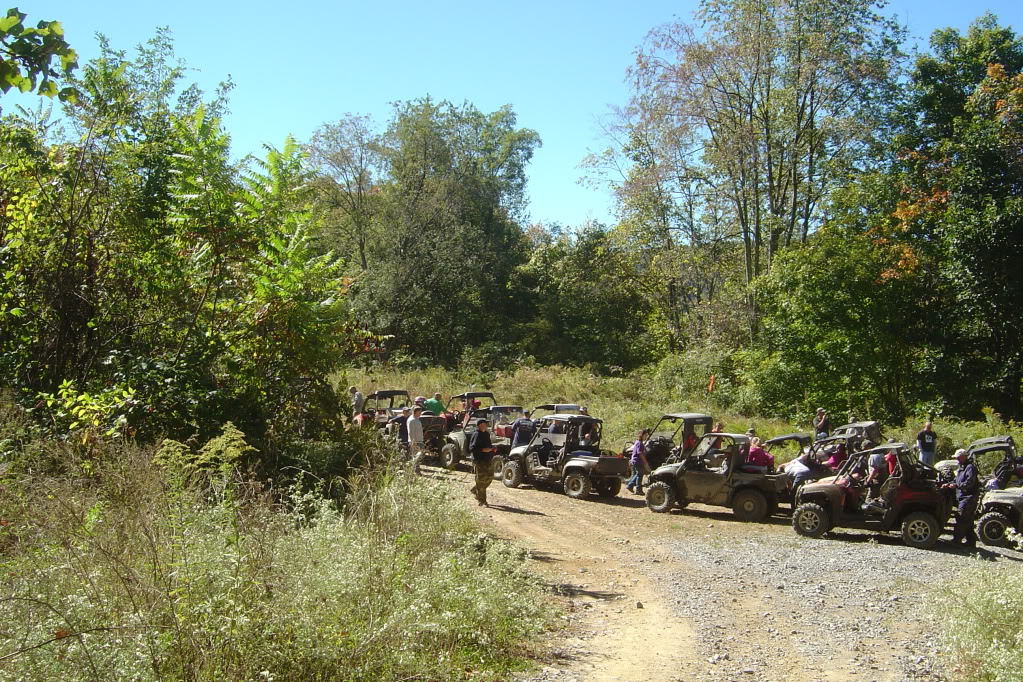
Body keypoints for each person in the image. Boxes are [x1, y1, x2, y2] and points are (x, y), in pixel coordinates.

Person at [945, 448, 980, 547]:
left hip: (968, 497)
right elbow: (956, 480)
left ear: (964, 457)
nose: (957, 459)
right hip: (962, 497)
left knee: (961, 519)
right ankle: (971, 542)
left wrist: (957, 486)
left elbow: (969, 483)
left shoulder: (970, 468)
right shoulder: (961, 468)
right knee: (968, 520)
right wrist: (949, 484)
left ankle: (956, 540)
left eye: (959, 458)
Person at [469, 419, 497, 506]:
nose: (486, 425)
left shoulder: (486, 433)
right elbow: (472, 448)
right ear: (480, 425)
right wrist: (482, 450)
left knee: (490, 477)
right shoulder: (476, 434)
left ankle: (475, 490)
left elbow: (488, 445)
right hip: (479, 460)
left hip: (487, 459)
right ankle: (482, 501)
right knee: (481, 481)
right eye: (485, 424)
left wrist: (492, 448)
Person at [626, 430, 649, 495]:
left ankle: (630, 486)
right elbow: (640, 453)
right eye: (645, 435)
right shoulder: (639, 443)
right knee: (639, 474)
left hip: (637, 460)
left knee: (638, 474)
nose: (646, 437)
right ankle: (638, 489)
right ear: (641, 435)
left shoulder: (638, 442)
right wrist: (645, 461)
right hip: (637, 461)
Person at [407, 406, 424, 474]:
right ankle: (412, 467)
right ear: (415, 412)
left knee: (418, 456)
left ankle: (416, 470)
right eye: (419, 412)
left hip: (419, 440)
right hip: (415, 441)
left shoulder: (416, 419)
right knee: (417, 455)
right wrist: (413, 441)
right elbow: (411, 432)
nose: (420, 413)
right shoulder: (411, 420)